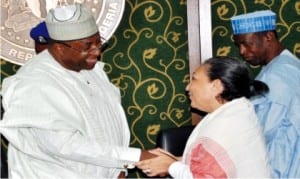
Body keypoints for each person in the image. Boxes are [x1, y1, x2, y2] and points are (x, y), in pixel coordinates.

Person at [0, 3, 155, 178]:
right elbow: (65, 145)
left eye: (99, 43)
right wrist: (134, 156)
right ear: (59, 48)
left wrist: (117, 169)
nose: (96, 52)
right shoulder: (32, 84)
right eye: (87, 46)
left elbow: (108, 124)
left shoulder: (90, 69)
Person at [136, 56, 271, 178]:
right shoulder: (235, 111)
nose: (188, 87)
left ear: (216, 86)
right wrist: (174, 161)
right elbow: (211, 166)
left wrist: (171, 166)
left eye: (194, 79)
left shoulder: (226, 125)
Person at [231, 10, 300, 178]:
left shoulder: (277, 75)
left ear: (268, 36)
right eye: (239, 45)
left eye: (247, 44)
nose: (242, 51)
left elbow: (262, 134)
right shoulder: (288, 63)